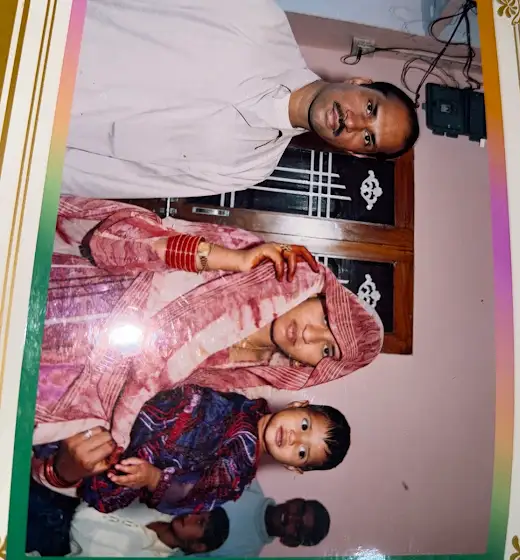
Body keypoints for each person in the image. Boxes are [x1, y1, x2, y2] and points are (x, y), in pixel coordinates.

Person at [33, 197, 383, 455]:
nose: (309, 334)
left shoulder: (241, 376)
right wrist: (234, 259)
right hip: (74, 287)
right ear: (316, 294)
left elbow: (156, 393)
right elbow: (127, 237)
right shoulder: (253, 259)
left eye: (326, 349)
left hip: (67, 367)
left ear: (311, 367)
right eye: (325, 319)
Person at [62, 0, 420, 199]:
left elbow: (124, 177)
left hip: (39, 122)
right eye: (370, 108)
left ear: (356, 153)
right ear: (360, 82)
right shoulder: (260, 21)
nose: (354, 122)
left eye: (368, 138)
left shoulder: (249, 169)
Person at [32, 385, 351, 517]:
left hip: (126, 451)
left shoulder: (236, 476)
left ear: (294, 468)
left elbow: (193, 494)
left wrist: (153, 478)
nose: (294, 439)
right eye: (305, 426)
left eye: (302, 453)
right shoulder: (243, 399)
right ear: (299, 404)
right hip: (126, 401)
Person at [194, 479, 330, 557]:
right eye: (299, 509)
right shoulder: (247, 480)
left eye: (298, 527)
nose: (291, 517)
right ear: (296, 499)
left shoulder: (245, 555)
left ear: (290, 542)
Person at [68, 502, 229, 557]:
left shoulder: (146, 554)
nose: (190, 516)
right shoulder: (159, 504)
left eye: (199, 522)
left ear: (198, 546)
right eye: (197, 512)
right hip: (68, 495)